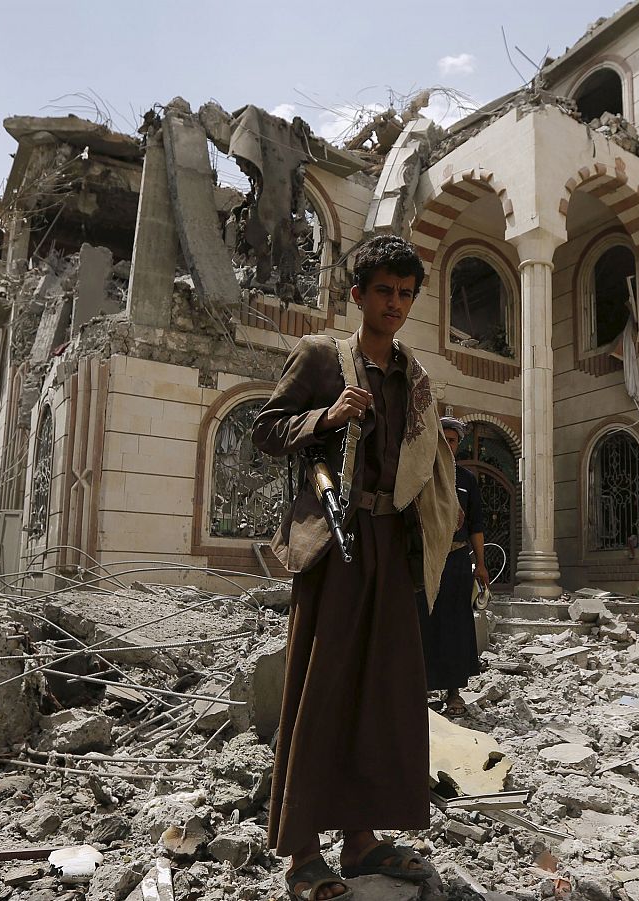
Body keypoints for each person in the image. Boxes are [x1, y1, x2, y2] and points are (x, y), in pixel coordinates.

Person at [252, 234, 459, 901]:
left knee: (385, 693)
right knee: (323, 691)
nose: (395, 304)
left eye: (405, 294)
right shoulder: (321, 356)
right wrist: (324, 415)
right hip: (334, 543)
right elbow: (265, 427)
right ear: (357, 295)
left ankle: (363, 839)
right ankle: (304, 854)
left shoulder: (411, 374)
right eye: (383, 292)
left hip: (390, 546)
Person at [420, 417, 489, 715]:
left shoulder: (467, 480)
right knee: (424, 622)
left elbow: (476, 526)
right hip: (426, 561)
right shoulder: (423, 476)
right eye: (443, 439)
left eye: (452, 440)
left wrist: (481, 565)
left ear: (457, 445)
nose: (447, 445)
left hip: (458, 561)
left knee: (456, 626)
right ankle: (419, 689)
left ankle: (454, 693)